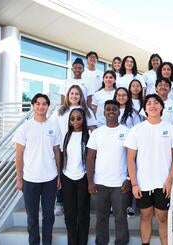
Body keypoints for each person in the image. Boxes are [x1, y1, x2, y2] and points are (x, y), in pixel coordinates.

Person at [124, 94, 173, 245]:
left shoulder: (171, 129)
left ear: (161, 107)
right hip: (142, 183)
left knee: (162, 217)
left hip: (163, 183)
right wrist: (134, 184)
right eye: (149, 103)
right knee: (145, 216)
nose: (152, 105)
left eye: (156, 103)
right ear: (145, 109)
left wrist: (169, 180)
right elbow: (130, 159)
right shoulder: (136, 130)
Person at [13, 93, 61, 245]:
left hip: (50, 179)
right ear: (33, 106)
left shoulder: (54, 126)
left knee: (49, 216)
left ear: (48, 106)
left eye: (44, 103)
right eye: (38, 103)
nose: (41, 106)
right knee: (32, 217)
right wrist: (19, 178)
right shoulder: (25, 128)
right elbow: (19, 155)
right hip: (30, 179)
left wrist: (59, 176)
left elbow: (57, 152)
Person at [86, 100, 131, 245]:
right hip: (100, 183)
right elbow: (90, 158)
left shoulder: (127, 132)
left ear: (119, 112)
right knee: (101, 217)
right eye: (108, 109)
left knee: (120, 217)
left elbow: (132, 157)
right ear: (104, 112)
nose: (111, 111)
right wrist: (90, 181)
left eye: (114, 109)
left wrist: (129, 178)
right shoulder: (97, 133)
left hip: (121, 183)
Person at [51, 85, 97, 215]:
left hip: (80, 145)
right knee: (61, 173)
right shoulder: (60, 110)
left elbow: (93, 127)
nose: (74, 96)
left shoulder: (86, 110)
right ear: (67, 95)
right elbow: (52, 127)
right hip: (62, 146)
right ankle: (59, 202)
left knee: (80, 172)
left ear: (81, 96)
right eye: (72, 93)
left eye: (77, 94)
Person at [61, 108, 90, 245]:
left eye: (79, 118)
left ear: (83, 119)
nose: (75, 121)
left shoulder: (89, 135)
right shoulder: (66, 135)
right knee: (69, 214)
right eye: (72, 118)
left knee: (83, 214)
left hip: (83, 177)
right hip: (67, 178)